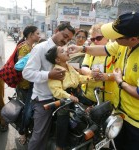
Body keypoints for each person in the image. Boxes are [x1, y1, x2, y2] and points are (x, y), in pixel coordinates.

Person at [68, 11, 139, 150]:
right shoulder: (123, 45)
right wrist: (81, 48)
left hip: (135, 122)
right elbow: (104, 49)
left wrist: (119, 81)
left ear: (133, 39)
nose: (114, 40)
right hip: (118, 114)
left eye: (117, 37)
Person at [22, 23, 75, 150]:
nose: (65, 40)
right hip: (44, 99)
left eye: (68, 39)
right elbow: (27, 73)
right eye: (64, 36)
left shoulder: (64, 49)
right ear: (56, 30)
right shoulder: (40, 48)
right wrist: (49, 75)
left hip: (62, 97)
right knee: (39, 136)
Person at [45, 45, 91, 150]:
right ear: (57, 59)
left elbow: (78, 78)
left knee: (93, 107)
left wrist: (91, 78)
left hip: (76, 95)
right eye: (62, 51)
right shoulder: (57, 70)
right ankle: (59, 146)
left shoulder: (68, 66)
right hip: (64, 100)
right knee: (63, 121)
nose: (67, 52)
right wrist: (69, 96)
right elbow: (56, 91)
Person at [16, 26, 41, 145]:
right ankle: (22, 132)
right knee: (26, 110)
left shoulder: (32, 47)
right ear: (31, 35)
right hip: (25, 85)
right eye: (37, 33)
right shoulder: (24, 48)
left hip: (32, 83)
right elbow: (21, 67)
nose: (39, 35)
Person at [81, 23, 115, 105]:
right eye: (93, 39)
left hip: (107, 98)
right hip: (88, 95)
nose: (95, 41)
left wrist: (106, 76)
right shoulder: (90, 49)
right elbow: (83, 67)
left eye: (98, 38)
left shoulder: (115, 49)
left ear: (107, 37)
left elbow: (121, 75)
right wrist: (90, 73)